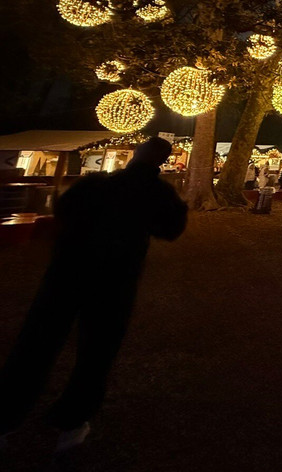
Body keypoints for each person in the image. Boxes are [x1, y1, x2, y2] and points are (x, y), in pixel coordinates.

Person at [0, 137, 186, 455]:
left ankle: (5, 416)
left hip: (66, 274)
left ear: (135, 155)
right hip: (115, 280)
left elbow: (63, 211)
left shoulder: (94, 186)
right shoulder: (158, 194)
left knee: (35, 344)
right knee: (97, 353)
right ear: (161, 161)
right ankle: (71, 422)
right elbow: (171, 229)